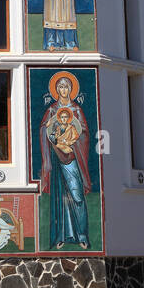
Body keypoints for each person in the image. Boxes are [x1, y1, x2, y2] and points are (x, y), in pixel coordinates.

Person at [39, 74, 91, 250]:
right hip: (56, 157)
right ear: (56, 90)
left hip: (72, 159)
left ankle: (82, 236)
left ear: (71, 90)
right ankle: (61, 236)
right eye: (60, 87)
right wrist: (49, 133)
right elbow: (44, 131)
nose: (63, 90)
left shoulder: (76, 110)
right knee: (59, 197)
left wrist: (71, 141)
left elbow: (83, 132)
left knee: (77, 196)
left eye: (66, 87)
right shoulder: (52, 110)